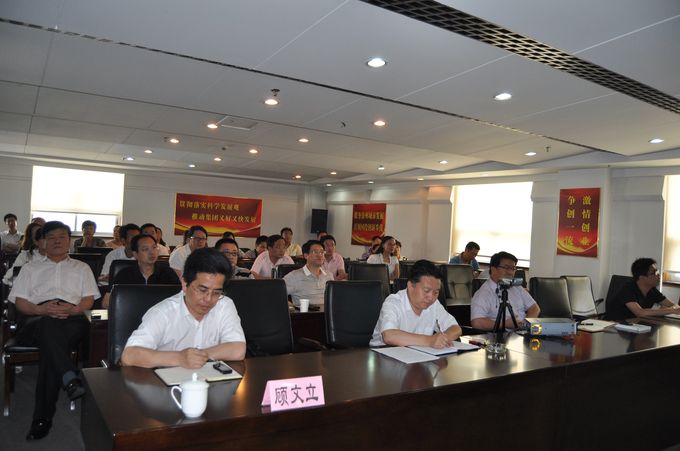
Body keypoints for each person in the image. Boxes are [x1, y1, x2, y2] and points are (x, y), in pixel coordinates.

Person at [8, 221, 100, 440]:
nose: (57, 241)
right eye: (51, 237)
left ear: (69, 240)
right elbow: (20, 303)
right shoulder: (30, 268)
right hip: (35, 319)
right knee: (49, 325)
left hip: (72, 318)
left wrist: (73, 309)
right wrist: (41, 309)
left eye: (62, 237)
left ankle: (43, 418)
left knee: (52, 346)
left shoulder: (82, 268)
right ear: (42, 242)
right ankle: (68, 376)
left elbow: (88, 300)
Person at [121, 247, 246, 368]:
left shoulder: (224, 305)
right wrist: (179, 358)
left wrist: (199, 356)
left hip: (209, 378)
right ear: (185, 284)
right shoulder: (162, 312)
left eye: (216, 292)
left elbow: (238, 349)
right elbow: (129, 356)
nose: (208, 299)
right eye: (202, 290)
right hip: (167, 379)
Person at [370, 259, 461, 347]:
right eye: (426, 290)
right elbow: (389, 336)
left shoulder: (434, 304)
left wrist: (443, 339)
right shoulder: (393, 302)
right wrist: (430, 340)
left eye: (436, 292)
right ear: (410, 286)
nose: (431, 297)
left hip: (417, 354)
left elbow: (455, 328)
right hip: (383, 353)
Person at [102, 234, 180, 308]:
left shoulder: (168, 273)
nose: (152, 252)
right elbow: (106, 303)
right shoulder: (124, 274)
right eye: (145, 249)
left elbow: (179, 298)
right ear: (135, 254)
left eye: (154, 247)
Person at [470, 251, 540, 330]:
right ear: (493, 269)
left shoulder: (516, 287)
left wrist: (525, 324)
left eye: (513, 268)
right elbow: (477, 322)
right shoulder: (483, 293)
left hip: (523, 332)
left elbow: (534, 308)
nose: (510, 272)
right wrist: (505, 324)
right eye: (506, 268)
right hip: (502, 334)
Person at [605, 258, 680, 320]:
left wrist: (671, 309)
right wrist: (670, 310)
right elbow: (640, 313)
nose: (659, 275)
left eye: (657, 272)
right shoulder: (628, 289)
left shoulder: (652, 290)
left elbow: (675, 306)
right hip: (614, 326)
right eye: (654, 273)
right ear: (642, 277)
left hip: (636, 326)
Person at [284, 240, 334, 306]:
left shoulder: (329, 275)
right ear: (306, 256)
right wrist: (290, 306)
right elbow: (276, 292)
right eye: (315, 252)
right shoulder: (294, 276)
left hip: (328, 312)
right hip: (306, 312)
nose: (319, 255)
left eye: (322, 252)